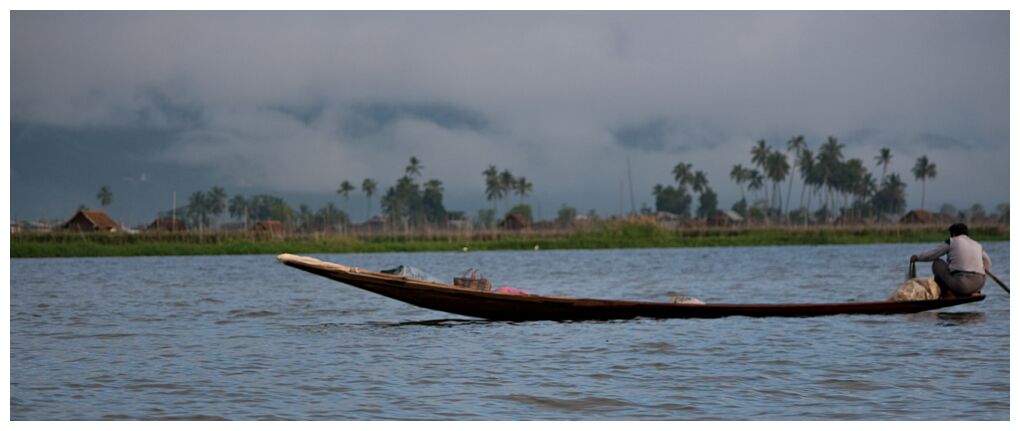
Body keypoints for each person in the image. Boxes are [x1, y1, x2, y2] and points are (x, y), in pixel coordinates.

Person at [911, 223, 990, 298]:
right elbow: (988, 262)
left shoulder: (952, 241)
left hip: (962, 285)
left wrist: (918, 257)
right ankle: (973, 292)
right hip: (979, 284)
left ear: (953, 234)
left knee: (937, 263)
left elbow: (933, 254)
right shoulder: (977, 244)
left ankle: (946, 294)